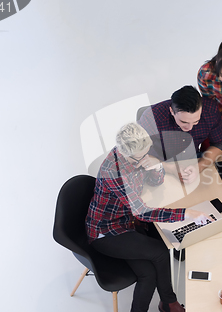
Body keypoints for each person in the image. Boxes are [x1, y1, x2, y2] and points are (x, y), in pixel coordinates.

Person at [86, 122, 209, 312]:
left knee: (148, 274)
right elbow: (143, 212)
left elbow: (155, 181)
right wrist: (187, 213)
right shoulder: (114, 172)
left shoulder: (137, 155)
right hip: (107, 231)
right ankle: (169, 302)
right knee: (160, 251)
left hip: (127, 222)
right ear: (124, 153)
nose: (143, 159)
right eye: (139, 158)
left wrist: (156, 166)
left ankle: (167, 303)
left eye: (147, 153)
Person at [138, 85, 222, 184]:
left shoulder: (210, 110)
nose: (190, 128)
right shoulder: (151, 117)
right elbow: (139, 156)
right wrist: (171, 169)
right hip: (161, 166)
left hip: (193, 161)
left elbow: (220, 143)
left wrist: (199, 167)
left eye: (196, 121)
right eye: (184, 122)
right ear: (172, 111)